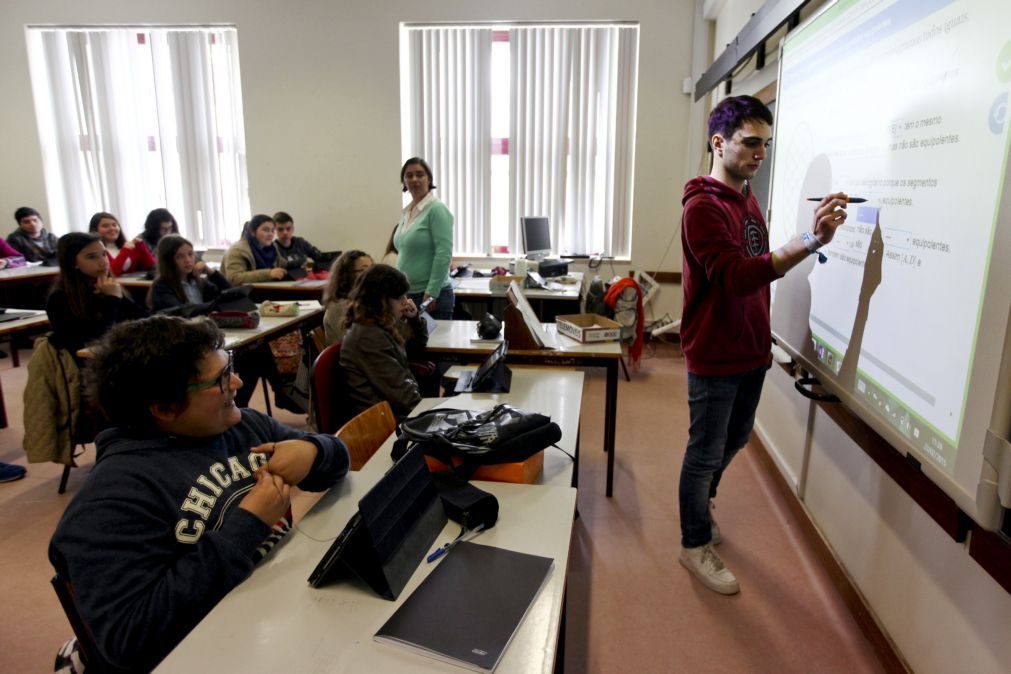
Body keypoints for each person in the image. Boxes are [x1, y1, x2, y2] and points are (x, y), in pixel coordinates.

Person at [49, 315, 350, 671]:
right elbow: (130, 640)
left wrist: (314, 451)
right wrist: (248, 524)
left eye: (230, 367)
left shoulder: (243, 426)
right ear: (163, 408)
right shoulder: (108, 505)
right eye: (221, 379)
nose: (238, 382)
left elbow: (337, 460)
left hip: (271, 608)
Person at [677, 95, 849, 595]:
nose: (760, 154)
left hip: (750, 349)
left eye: (766, 145)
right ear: (718, 142)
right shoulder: (702, 208)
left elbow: (754, 268)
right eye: (750, 143)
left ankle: (700, 504)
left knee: (735, 440)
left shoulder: (746, 196)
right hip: (714, 354)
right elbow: (735, 276)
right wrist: (809, 241)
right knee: (704, 451)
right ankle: (692, 543)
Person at [339, 264, 428, 419]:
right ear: (381, 300)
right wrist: (432, 414)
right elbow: (404, 397)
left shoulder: (379, 324)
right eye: (399, 297)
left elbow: (416, 348)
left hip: (393, 411)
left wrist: (414, 320)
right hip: (385, 422)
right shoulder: (369, 336)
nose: (406, 302)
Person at [46, 232, 147, 355]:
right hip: (91, 364)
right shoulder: (60, 298)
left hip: (121, 353)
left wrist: (119, 297)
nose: (103, 262)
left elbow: (144, 319)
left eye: (104, 254)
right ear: (73, 262)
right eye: (92, 257)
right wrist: (113, 298)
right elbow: (100, 338)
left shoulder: (107, 285)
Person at [393, 157, 455, 319]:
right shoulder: (407, 212)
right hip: (408, 294)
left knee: (433, 344)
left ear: (429, 179)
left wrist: (432, 292)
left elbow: (444, 254)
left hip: (431, 295)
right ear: (404, 181)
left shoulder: (437, 209)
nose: (414, 179)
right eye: (409, 175)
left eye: (420, 174)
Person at [148, 234, 230, 311]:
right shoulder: (161, 286)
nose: (187, 260)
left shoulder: (195, 281)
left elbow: (230, 293)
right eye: (179, 257)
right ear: (168, 261)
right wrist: (215, 305)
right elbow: (184, 311)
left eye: (190, 254)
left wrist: (209, 271)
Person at [322, 249, 372, 345]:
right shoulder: (338, 306)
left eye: (372, 269)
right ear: (347, 274)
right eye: (363, 270)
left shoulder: (363, 299)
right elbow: (352, 345)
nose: (372, 274)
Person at [222, 214, 287, 285]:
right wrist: (269, 274)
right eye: (266, 230)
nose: (271, 234)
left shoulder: (271, 247)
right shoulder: (237, 250)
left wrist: (299, 263)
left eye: (272, 230)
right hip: (240, 293)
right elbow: (234, 278)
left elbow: (283, 264)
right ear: (252, 232)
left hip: (263, 290)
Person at [88, 211, 156, 276]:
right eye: (105, 226)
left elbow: (153, 266)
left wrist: (141, 246)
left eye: (114, 225)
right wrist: (125, 251)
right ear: (95, 230)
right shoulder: (97, 251)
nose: (112, 228)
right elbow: (111, 273)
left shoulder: (128, 246)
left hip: (134, 286)